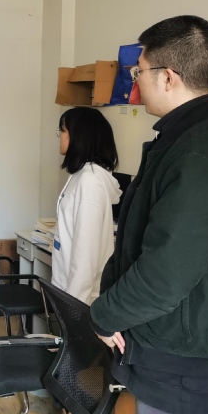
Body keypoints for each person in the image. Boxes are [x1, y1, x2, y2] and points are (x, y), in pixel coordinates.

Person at [90, 16, 208, 414]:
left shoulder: (197, 153)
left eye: (138, 72)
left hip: (191, 364)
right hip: (182, 350)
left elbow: (166, 274)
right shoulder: (189, 137)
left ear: (168, 78)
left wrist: (104, 315)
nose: (134, 83)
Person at [52, 107, 121, 305]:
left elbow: (85, 253)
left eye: (62, 130)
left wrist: (72, 307)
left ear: (79, 136)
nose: (60, 136)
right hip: (68, 288)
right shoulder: (81, 175)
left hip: (80, 298)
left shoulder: (90, 181)